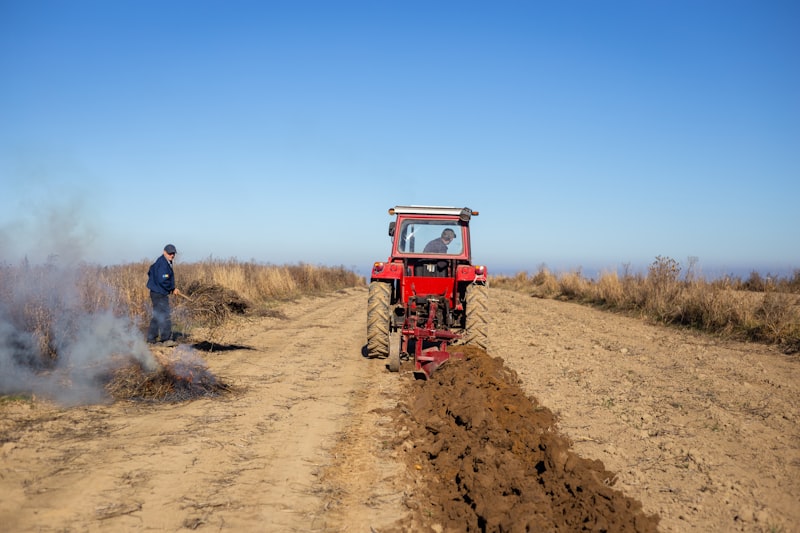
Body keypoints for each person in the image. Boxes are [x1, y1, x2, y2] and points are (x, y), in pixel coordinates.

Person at [146, 244, 181, 346]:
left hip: (157, 292)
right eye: (170, 253)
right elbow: (163, 280)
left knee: (157, 315)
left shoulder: (164, 261)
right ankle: (166, 340)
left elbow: (151, 272)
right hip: (159, 293)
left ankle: (151, 339)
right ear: (164, 252)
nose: (172, 255)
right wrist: (172, 288)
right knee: (165, 315)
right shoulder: (162, 263)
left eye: (173, 253)